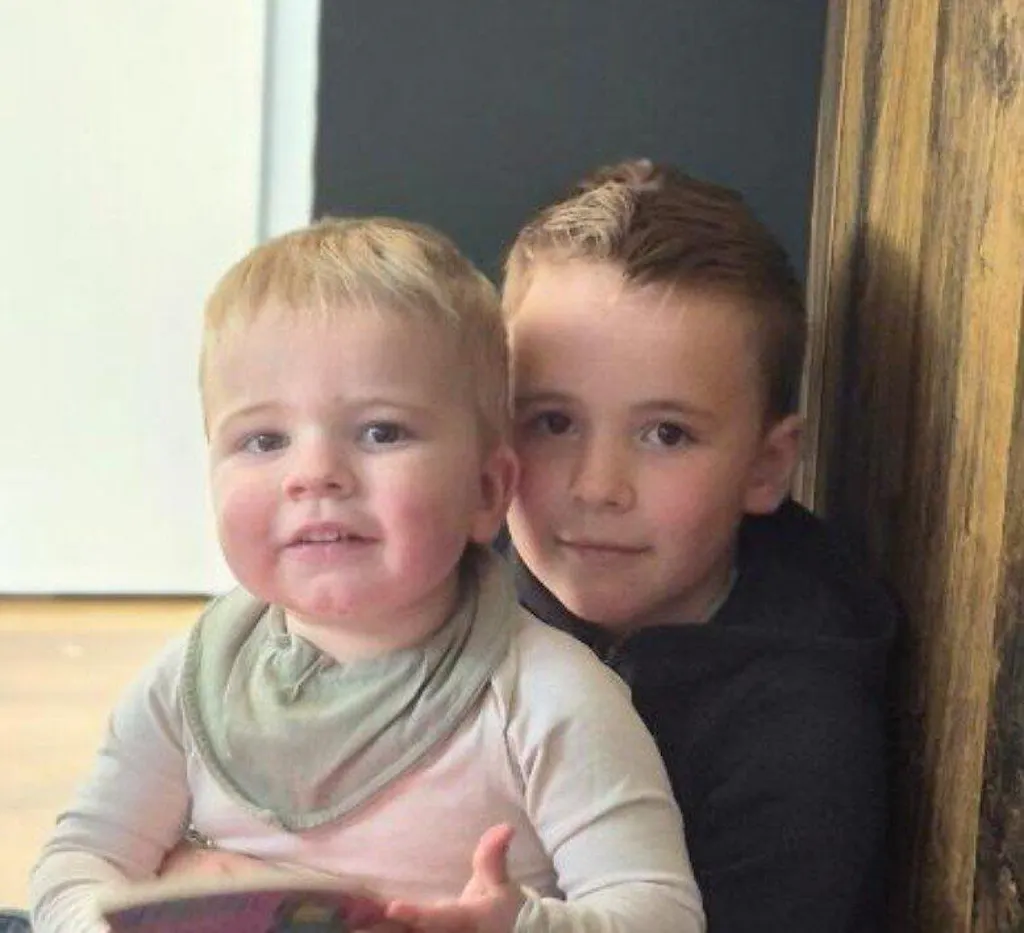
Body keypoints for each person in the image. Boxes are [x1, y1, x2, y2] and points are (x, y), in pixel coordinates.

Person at [28, 218, 705, 933]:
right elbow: (79, 861)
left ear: (486, 490)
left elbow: (662, 915)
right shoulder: (193, 680)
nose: (315, 473)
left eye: (381, 432)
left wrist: (517, 925)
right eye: (264, 439)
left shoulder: (546, 698)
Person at [500, 158, 895, 932]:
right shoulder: (446, 608)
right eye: (553, 421)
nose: (597, 486)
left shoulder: (798, 742)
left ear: (765, 466)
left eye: (666, 434)